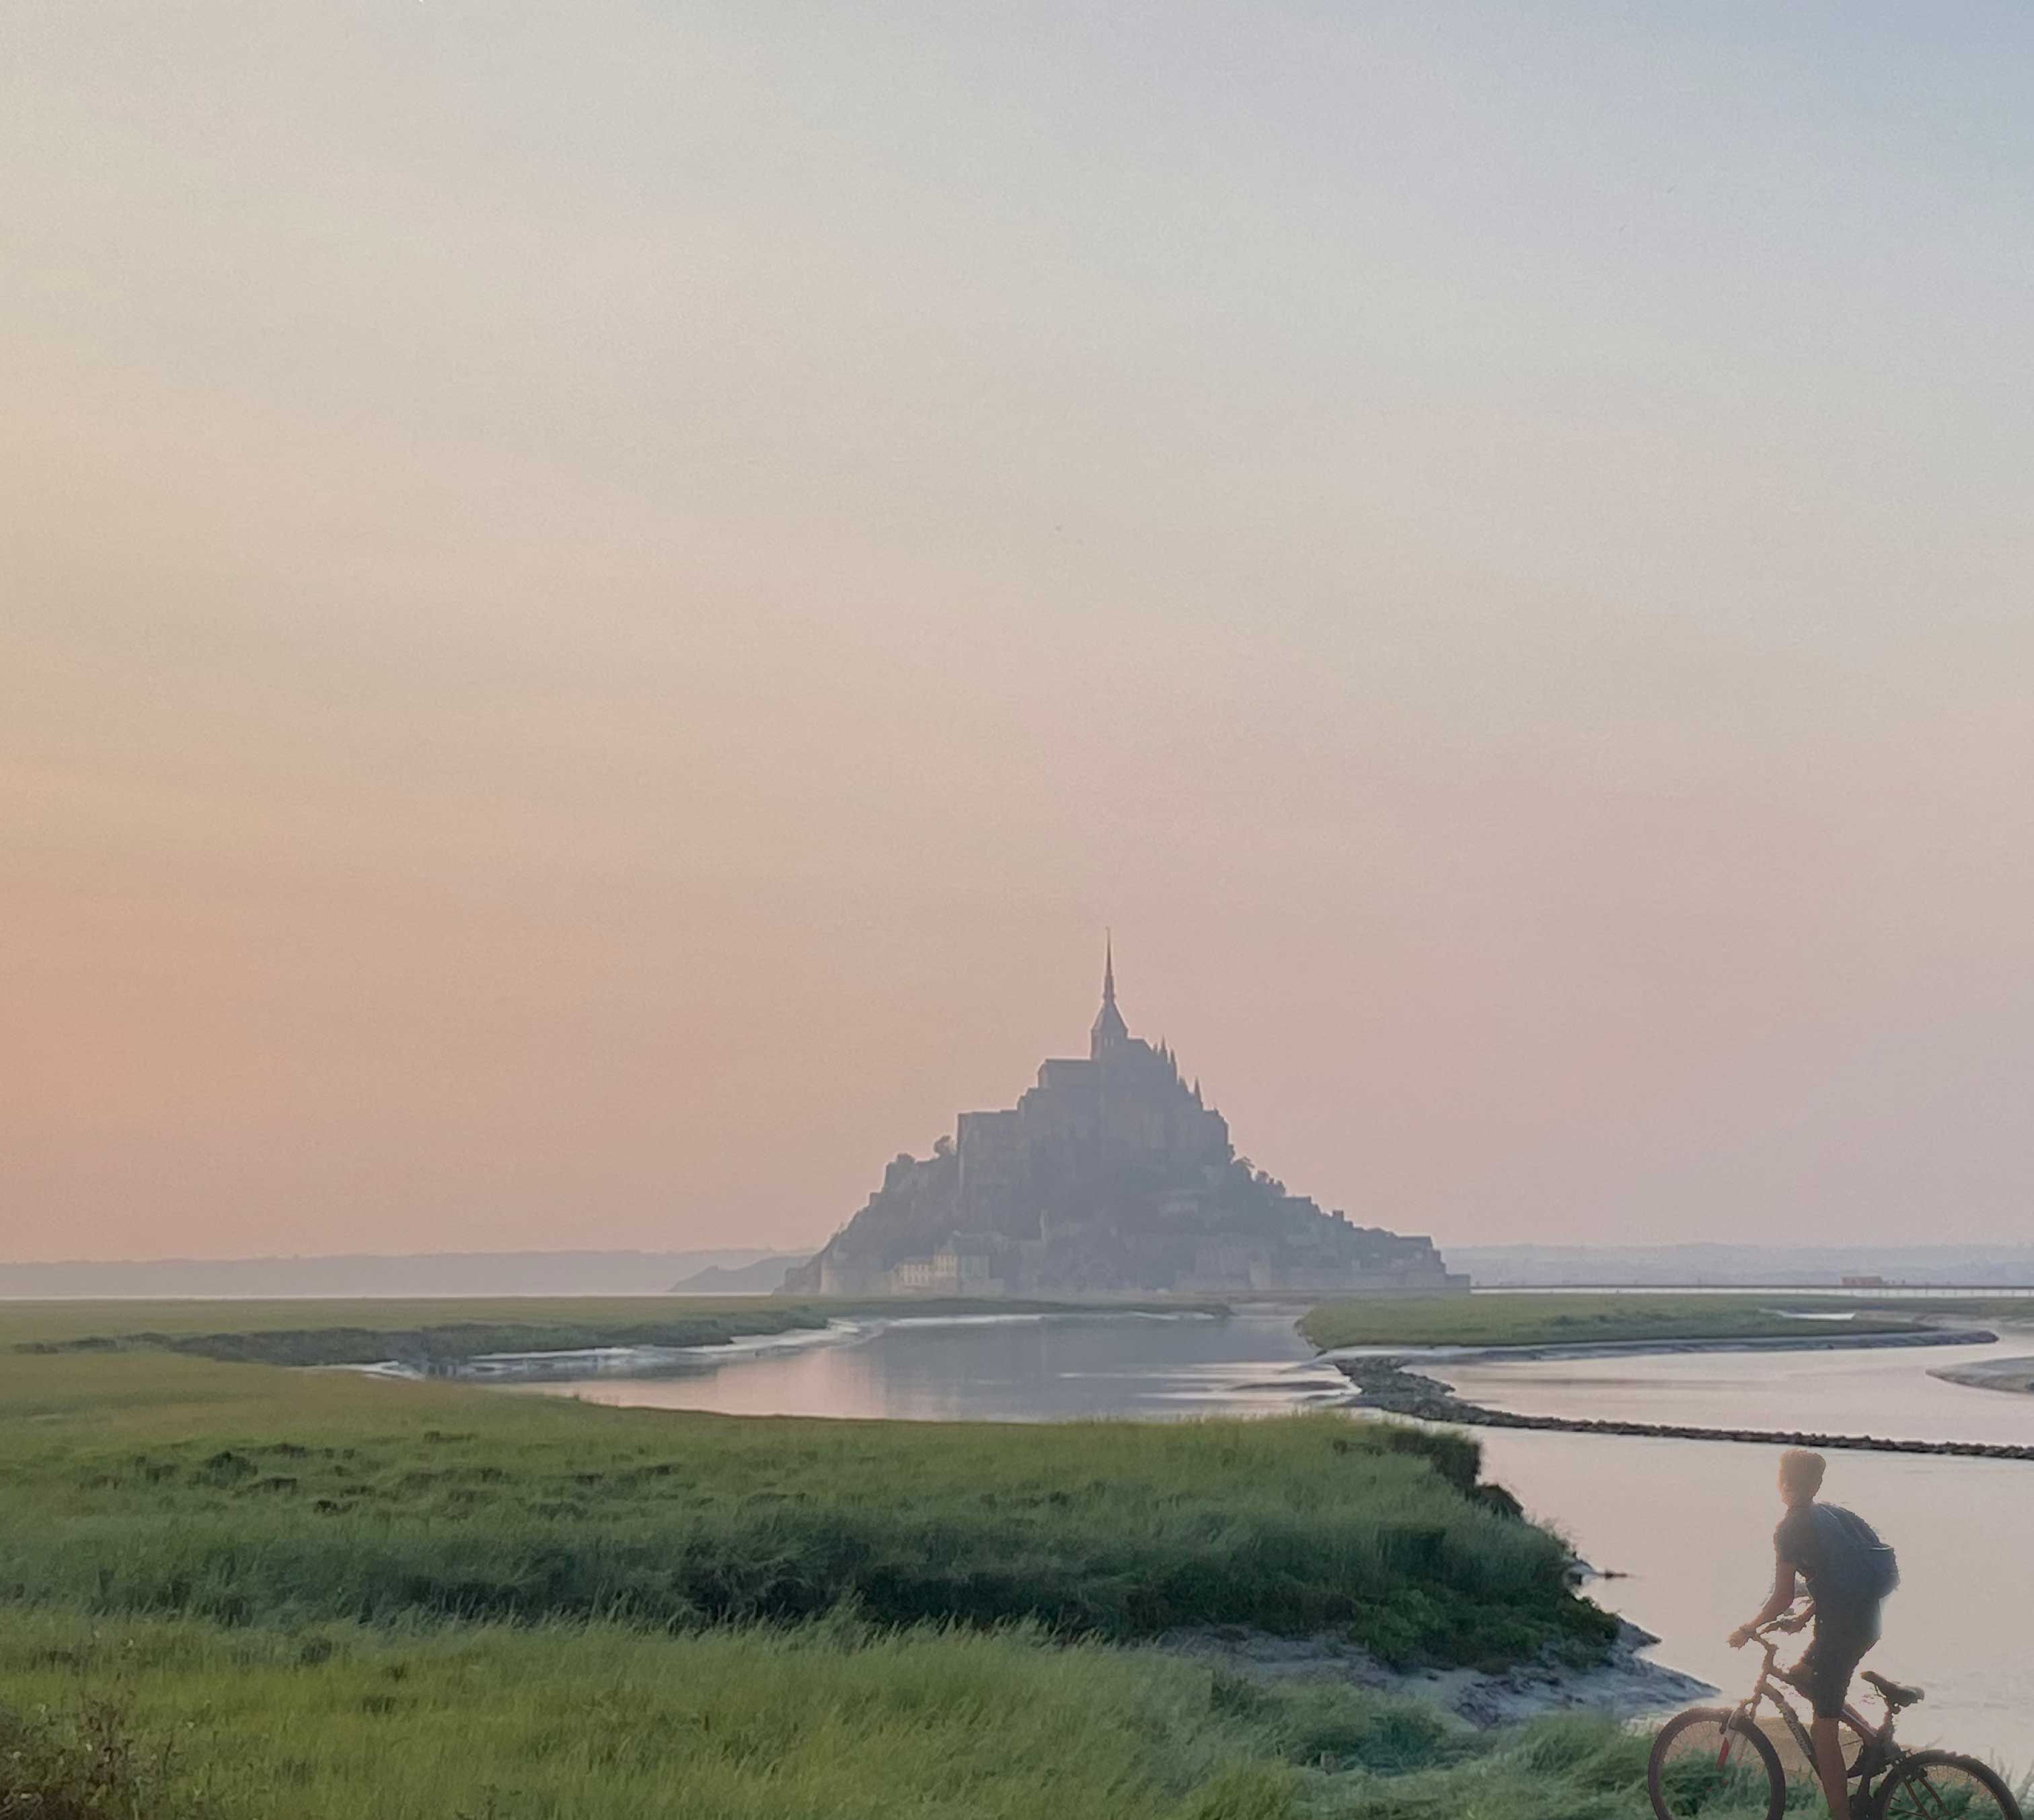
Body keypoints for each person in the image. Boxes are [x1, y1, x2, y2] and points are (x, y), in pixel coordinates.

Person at [1727, 1449, 1895, 1820]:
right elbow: (1843, 1578)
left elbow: (1782, 1595)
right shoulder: (1831, 1516)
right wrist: (1804, 1617)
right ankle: (1871, 1740)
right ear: (1817, 1484)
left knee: (1824, 1732)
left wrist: (1746, 1629)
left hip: (1840, 1632)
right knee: (1804, 1677)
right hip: (1867, 1623)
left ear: (1782, 1483)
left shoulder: (1789, 1528)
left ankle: (1841, 1816)